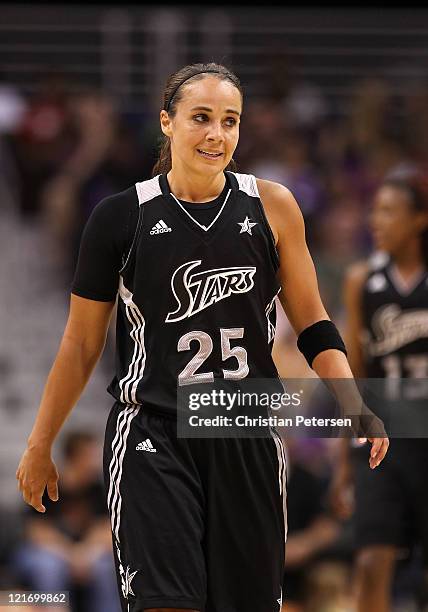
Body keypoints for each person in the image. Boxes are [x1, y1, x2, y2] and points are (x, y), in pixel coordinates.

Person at [16, 62, 388, 612]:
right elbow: (80, 345)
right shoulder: (121, 217)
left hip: (245, 428)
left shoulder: (273, 206)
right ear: (167, 123)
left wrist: (353, 403)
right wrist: (40, 442)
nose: (217, 134)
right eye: (201, 118)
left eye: (230, 121)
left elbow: (312, 322)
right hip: (154, 429)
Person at [331, 170, 428, 612]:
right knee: (370, 563)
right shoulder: (361, 281)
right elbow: (353, 373)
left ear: (420, 219)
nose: (376, 220)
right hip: (383, 440)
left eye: (388, 211)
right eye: (375, 210)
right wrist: (344, 465)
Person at [12, 431, 120, 612]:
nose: (96, 461)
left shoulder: (97, 488)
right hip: (46, 551)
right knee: (49, 566)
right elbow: (37, 531)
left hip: (86, 553)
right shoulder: (46, 485)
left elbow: (106, 528)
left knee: (107, 566)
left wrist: (86, 553)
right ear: (74, 457)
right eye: (91, 455)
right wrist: (71, 556)